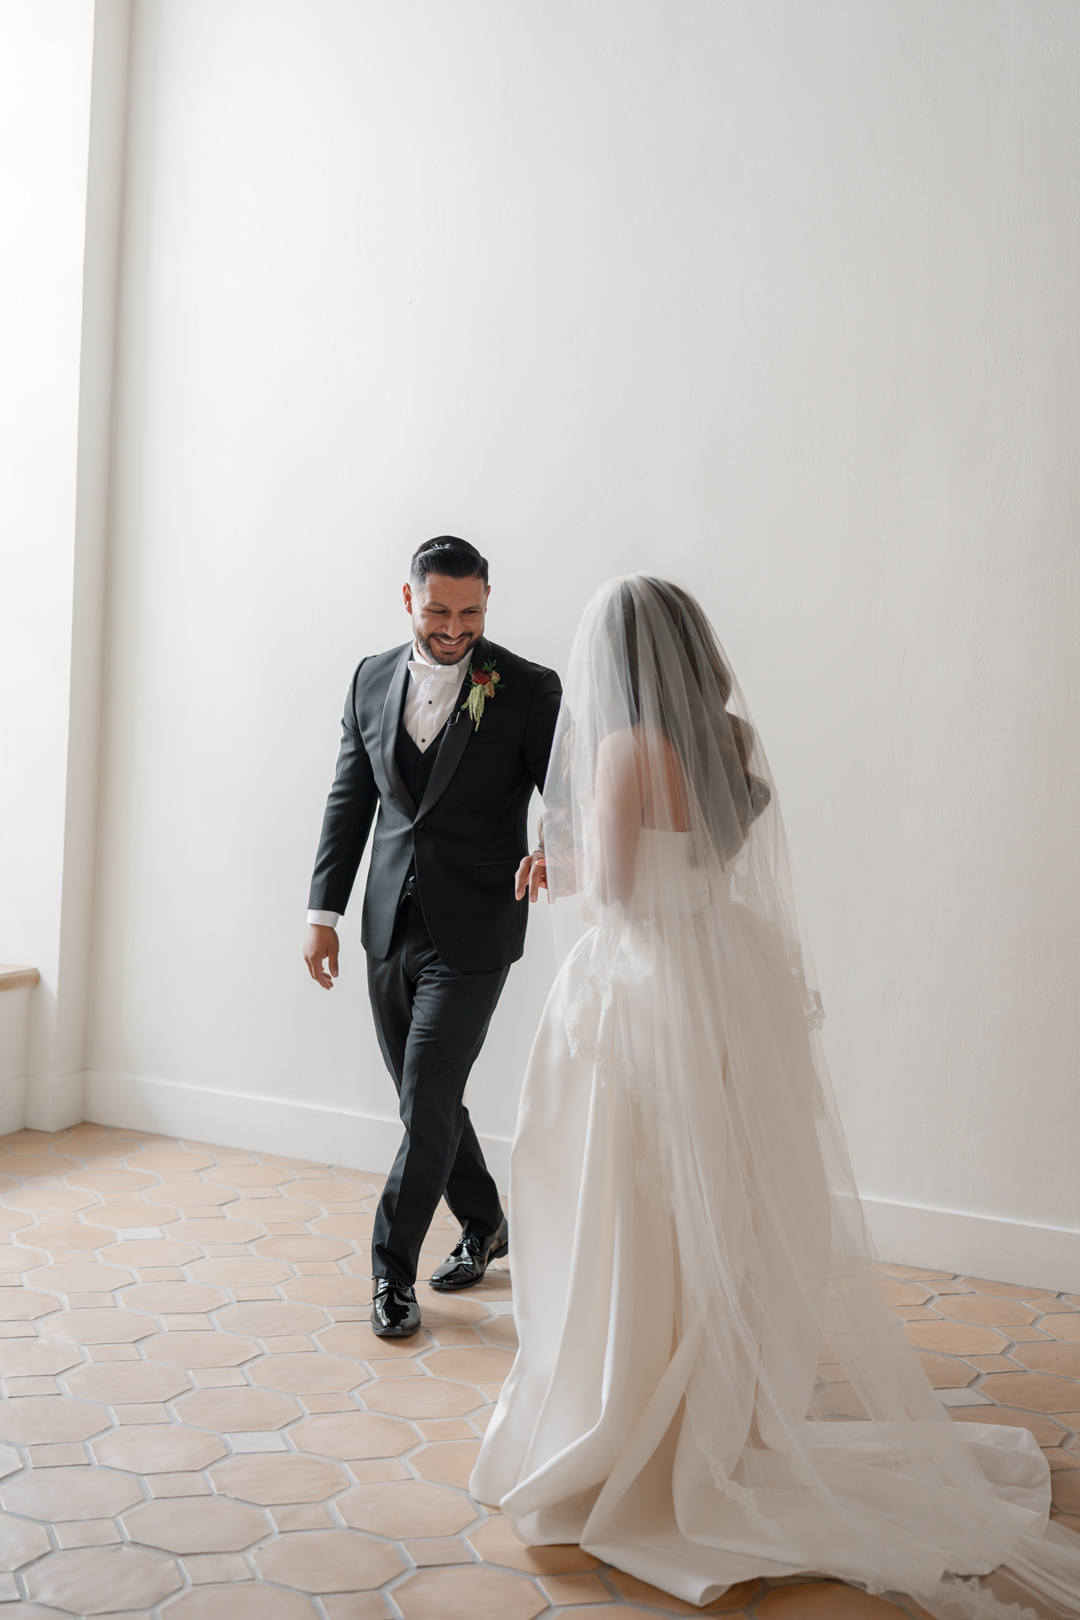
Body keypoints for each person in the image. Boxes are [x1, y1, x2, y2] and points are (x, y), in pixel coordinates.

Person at [472, 575, 1080, 1619]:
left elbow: (613, 889)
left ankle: (623, 1408)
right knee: (718, 1200)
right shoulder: (729, 740)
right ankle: (711, 1400)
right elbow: (698, 862)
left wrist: (552, 868)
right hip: (721, 978)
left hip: (643, 992)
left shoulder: (624, 752)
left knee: (616, 1202)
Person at [303, 537, 561, 1339]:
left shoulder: (527, 687)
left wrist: (553, 845)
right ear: (408, 599)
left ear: (487, 602)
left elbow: (568, 792)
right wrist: (322, 914)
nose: (455, 628)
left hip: (478, 924)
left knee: (425, 1095)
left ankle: (391, 1272)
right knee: (429, 1100)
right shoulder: (369, 677)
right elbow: (350, 798)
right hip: (388, 924)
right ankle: (485, 1222)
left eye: (471, 611)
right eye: (440, 610)